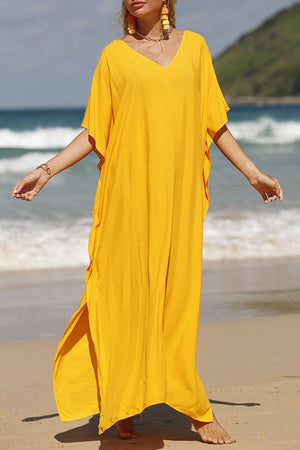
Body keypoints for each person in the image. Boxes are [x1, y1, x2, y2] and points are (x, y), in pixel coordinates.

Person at [11, 0, 283, 445]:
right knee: (122, 298)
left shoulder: (195, 48)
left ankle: (195, 409)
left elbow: (214, 124)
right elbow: (96, 131)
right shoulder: (113, 56)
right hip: (126, 199)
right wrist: (46, 169)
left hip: (179, 200)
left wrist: (253, 173)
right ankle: (123, 403)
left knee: (177, 302)